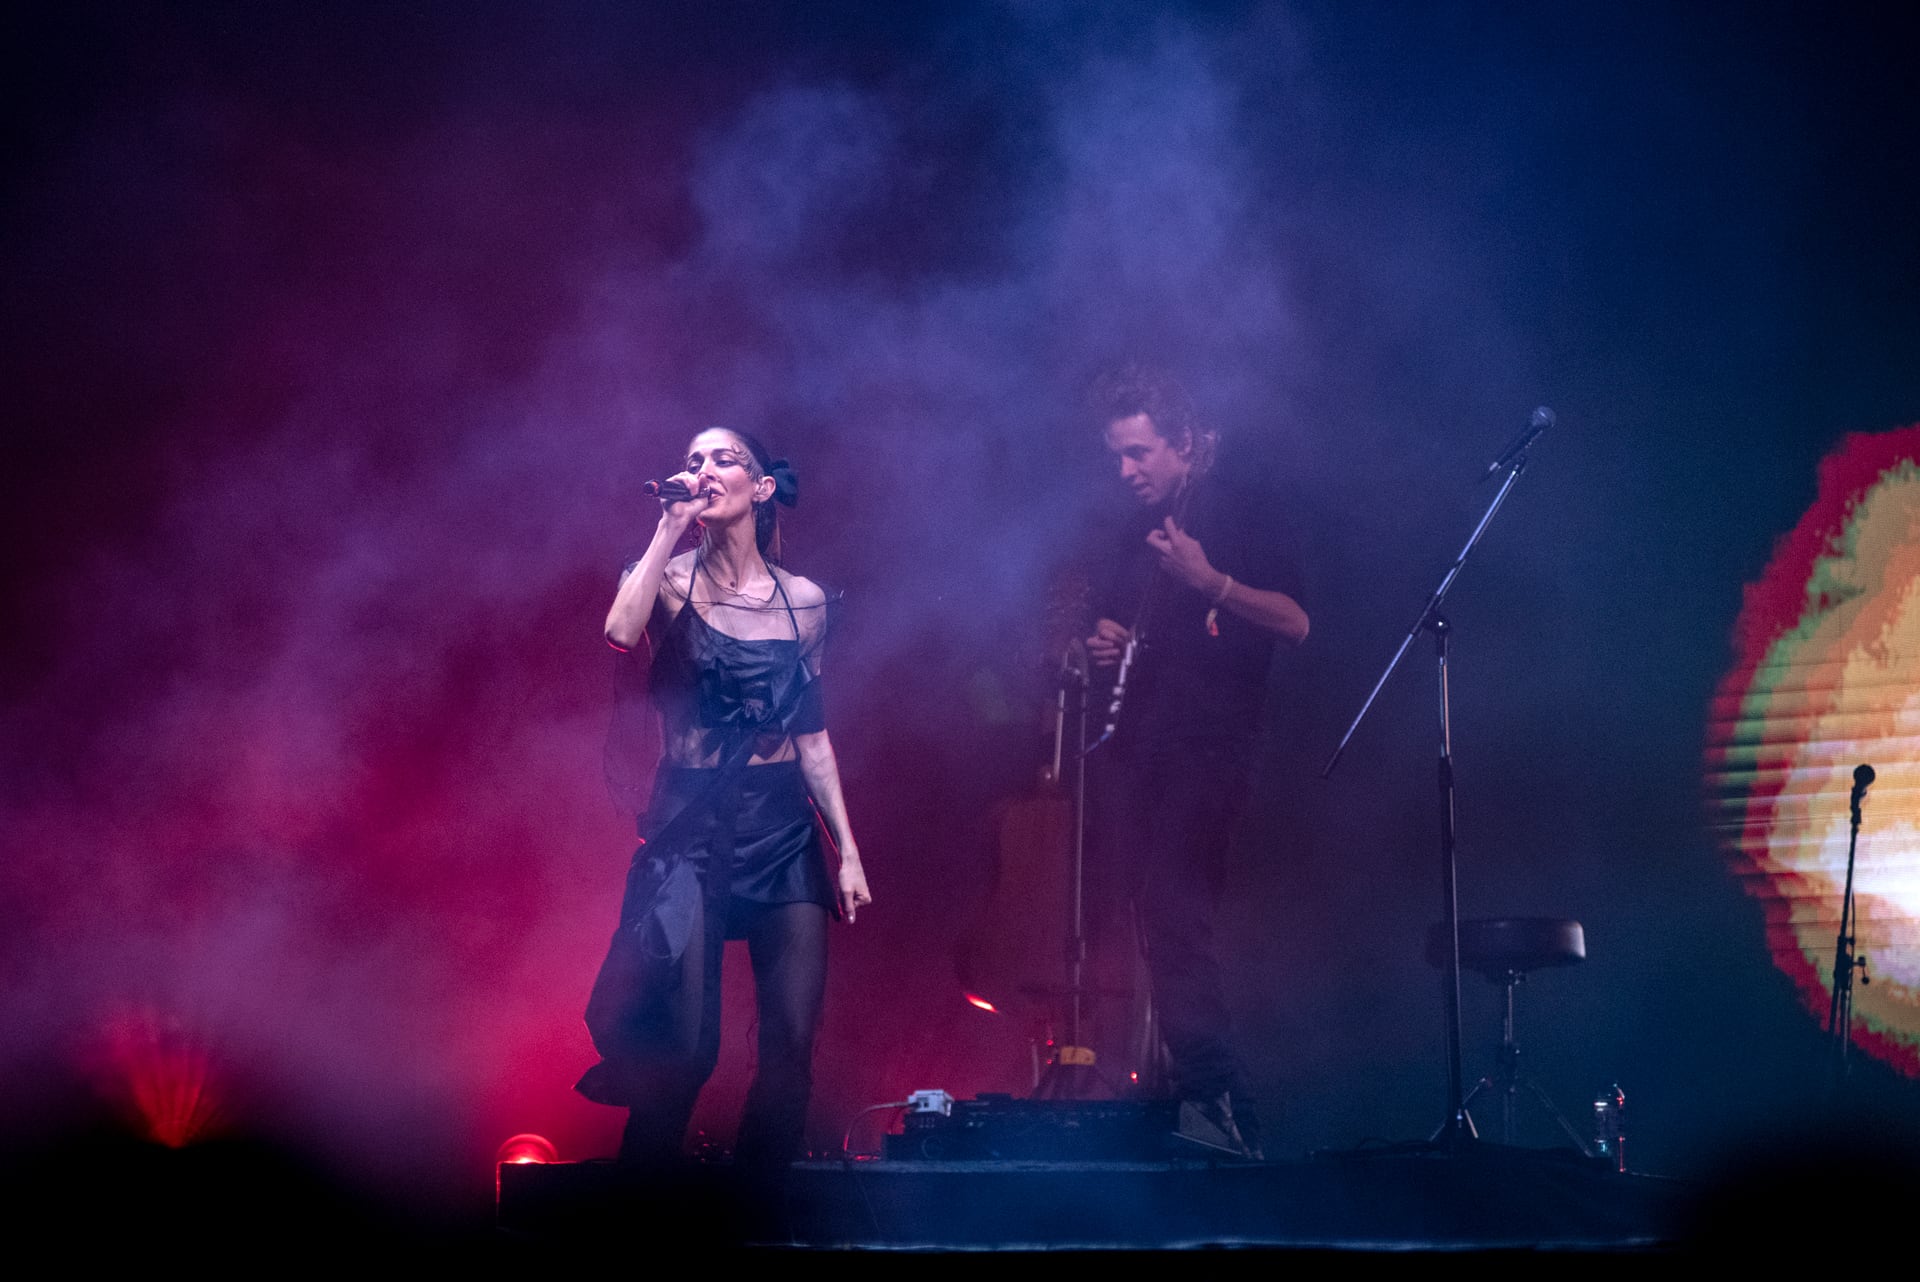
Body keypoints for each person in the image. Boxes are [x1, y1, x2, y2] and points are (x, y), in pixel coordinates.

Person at [577, 427, 871, 1170]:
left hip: (782, 829)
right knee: (686, 1050)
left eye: (721, 458)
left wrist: (848, 853)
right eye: (691, 459)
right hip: (694, 822)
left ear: (762, 487)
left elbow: (812, 737)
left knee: (791, 1044)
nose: (701, 469)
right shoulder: (668, 578)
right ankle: (641, 1211)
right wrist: (667, 525)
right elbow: (619, 630)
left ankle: (762, 1212)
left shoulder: (806, 602)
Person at [1082, 362, 1308, 1159]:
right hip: (1144, 752)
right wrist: (1108, 646)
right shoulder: (1135, 530)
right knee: (1153, 925)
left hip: (1212, 753)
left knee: (1177, 922)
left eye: (1139, 453)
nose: (1126, 470)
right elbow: (1124, 631)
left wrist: (1210, 580)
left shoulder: (1239, 508)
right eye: (1116, 455)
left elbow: (1295, 620)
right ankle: (1196, 1103)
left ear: (1183, 443)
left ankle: (1225, 1107)